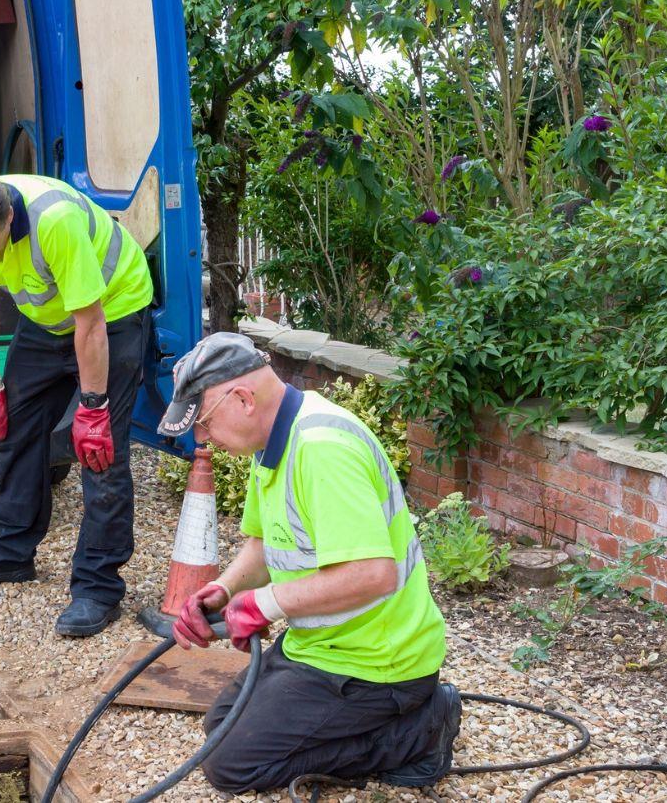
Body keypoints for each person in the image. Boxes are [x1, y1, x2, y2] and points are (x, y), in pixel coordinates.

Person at [158, 332, 460, 793]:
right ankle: (396, 723)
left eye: (204, 422)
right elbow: (265, 547)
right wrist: (224, 590)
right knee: (220, 724)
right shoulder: (273, 441)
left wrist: (265, 604)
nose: (202, 438)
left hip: (378, 663)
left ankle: (419, 732)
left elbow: (373, 573)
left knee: (230, 766)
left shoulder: (322, 449)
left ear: (242, 398)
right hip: (323, 646)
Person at [0, 175, 154, 637]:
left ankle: (97, 587)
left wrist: (92, 408)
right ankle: (9, 553)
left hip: (110, 312)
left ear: (9, 218)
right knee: (11, 427)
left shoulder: (55, 220)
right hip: (47, 319)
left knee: (100, 451)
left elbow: (90, 321)